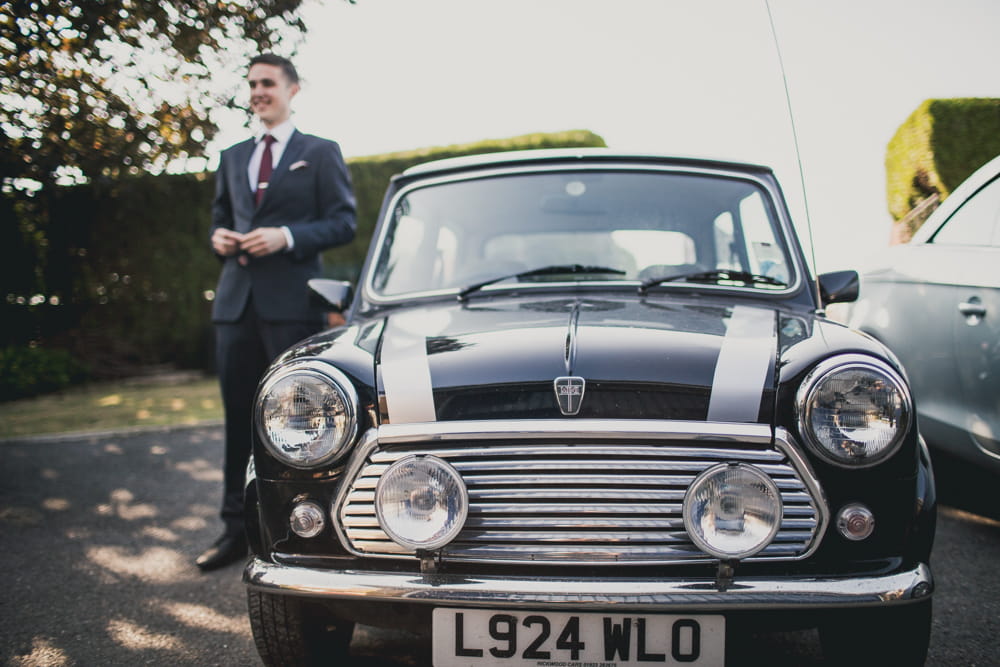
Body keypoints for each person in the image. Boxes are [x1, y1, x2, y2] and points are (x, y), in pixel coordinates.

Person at [197, 53, 356, 571]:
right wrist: (219, 239)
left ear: (292, 89)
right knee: (237, 418)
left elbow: (342, 222)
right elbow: (221, 220)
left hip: (291, 307)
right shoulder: (231, 155)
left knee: (301, 421)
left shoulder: (321, 152)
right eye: (252, 84)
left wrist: (285, 236)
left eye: (267, 83)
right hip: (235, 304)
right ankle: (234, 530)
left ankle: (303, 530)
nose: (258, 91)